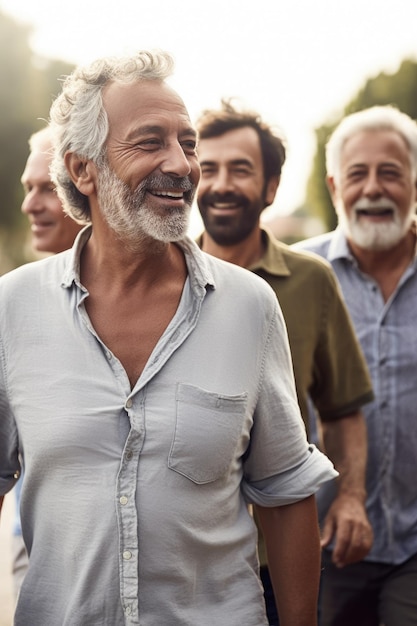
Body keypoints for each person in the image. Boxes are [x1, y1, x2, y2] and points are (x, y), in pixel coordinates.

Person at [0, 51, 337, 626]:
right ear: (83, 169)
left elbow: (284, 494)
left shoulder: (249, 307)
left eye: (187, 143)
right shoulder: (12, 309)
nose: (181, 164)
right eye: (150, 142)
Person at [195, 99, 374, 624]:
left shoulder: (313, 280)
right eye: (209, 168)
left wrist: (351, 499)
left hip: (284, 557)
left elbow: (342, 408)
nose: (222, 183)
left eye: (241, 169)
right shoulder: (162, 281)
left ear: (271, 188)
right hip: (188, 560)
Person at [294, 105, 417, 626]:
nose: (373, 190)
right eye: (357, 175)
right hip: (318, 547)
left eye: (389, 173)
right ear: (333, 185)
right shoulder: (298, 280)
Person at [9, 127, 84, 599]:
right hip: (32, 550)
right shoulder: (13, 304)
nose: (29, 205)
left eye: (44, 188)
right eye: (26, 188)